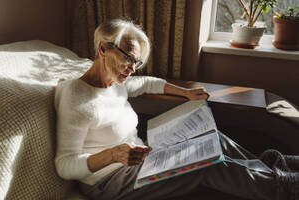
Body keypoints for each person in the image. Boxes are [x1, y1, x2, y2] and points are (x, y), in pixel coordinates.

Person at [54, 19, 297, 200]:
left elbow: (146, 83)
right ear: (102, 49)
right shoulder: (76, 96)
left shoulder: (116, 81)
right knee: (205, 163)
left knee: (212, 139)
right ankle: (285, 189)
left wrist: (185, 93)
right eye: (128, 58)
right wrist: (113, 155)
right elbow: (64, 165)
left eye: (136, 62)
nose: (132, 69)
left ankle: (274, 172)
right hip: (108, 181)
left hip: (141, 157)